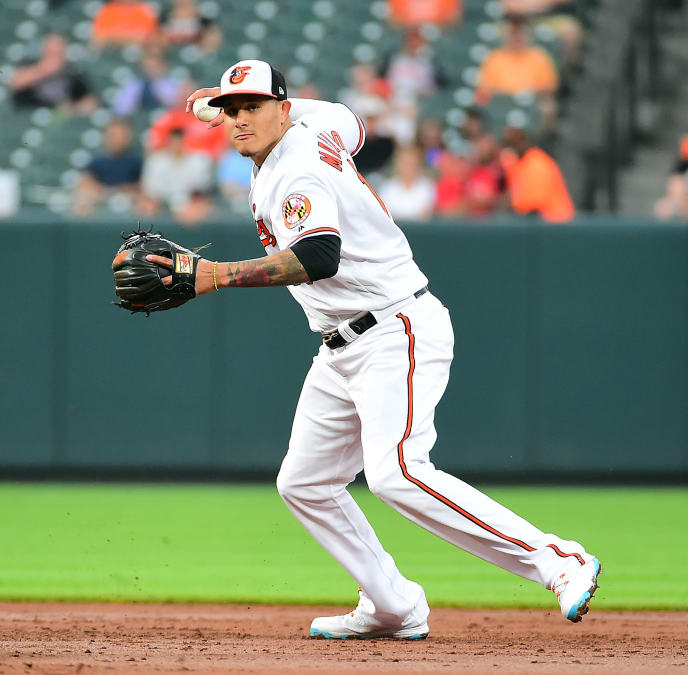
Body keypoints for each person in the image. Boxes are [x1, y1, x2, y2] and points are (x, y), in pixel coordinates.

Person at [171, 60, 600, 639]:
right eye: (232, 110)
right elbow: (351, 123)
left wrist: (215, 275)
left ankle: (557, 559)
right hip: (341, 345)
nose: (240, 119)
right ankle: (392, 605)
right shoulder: (320, 126)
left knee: (396, 471)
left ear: (283, 109)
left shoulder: (297, 173)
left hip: (395, 329)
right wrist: (210, 105)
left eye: (253, 107)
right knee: (304, 482)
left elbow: (319, 256)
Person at [499, 124, 574, 222]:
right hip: (539, 226)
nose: (513, 145)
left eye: (518, 139)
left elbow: (533, 207)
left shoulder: (537, 163)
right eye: (510, 142)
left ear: (526, 140)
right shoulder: (516, 163)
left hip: (556, 225)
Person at [476, 16, 558, 103]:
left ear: (528, 36)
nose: (517, 38)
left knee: (548, 105)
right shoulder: (494, 57)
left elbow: (548, 88)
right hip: (501, 102)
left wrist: (528, 93)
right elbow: (485, 88)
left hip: (532, 102)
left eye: (520, 34)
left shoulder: (539, 57)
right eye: (513, 34)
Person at [9, 34, 96, 114]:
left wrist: (71, 109)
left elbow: (90, 103)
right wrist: (43, 69)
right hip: (28, 113)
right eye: (50, 53)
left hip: (57, 117)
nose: (53, 57)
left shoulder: (73, 75)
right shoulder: (29, 64)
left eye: (58, 53)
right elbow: (16, 83)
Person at [74, 118, 142, 215]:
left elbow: (143, 187)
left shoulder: (137, 162)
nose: (118, 139)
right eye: (114, 135)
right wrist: (105, 192)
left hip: (130, 205)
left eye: (121, 135)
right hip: (100, 202)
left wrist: (125, 190)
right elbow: (85, 183)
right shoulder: (96, 161)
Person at [139, 127, 212, 213]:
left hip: (190, 203)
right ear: (168, 142)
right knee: (146, 207)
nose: (176, 145)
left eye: (179, 141)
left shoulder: (199, 160)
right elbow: (149, 190)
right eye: (173, 141)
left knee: (201, 207)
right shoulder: (156, 161)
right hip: (160, 204)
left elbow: (200, 189)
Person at [112, 46, 179, 118]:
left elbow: (174, 104)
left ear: (162, 66)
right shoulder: (134, 84)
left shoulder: (171, 82)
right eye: (148, 67)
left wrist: (157, 85)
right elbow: (122, 110)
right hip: (139, 120)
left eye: (155, 67)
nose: (151, 70)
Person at [378, 144, 435, 222]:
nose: (407, 167)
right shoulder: (388, 187)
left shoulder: (428, 186)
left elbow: (426, 213)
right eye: (404, 163)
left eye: (411, 163)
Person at [92, 0, 158, 47]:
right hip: (110, 53)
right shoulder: (108, 10)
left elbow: (149, 39)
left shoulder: (145, 11)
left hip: (138, 53)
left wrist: (114, 38)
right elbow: (99, 39)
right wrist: (131, 38)